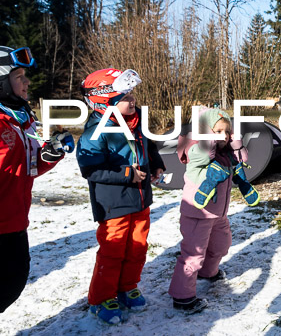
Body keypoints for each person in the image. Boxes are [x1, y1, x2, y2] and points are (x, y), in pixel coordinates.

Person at [77, 68, 165, 324]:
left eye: (131, 94)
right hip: (114, 204)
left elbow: (149, 145)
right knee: (113, 251)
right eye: (125, 97)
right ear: (106, 102)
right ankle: (101, 297)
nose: (132, 99)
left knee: (138, 247)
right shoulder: (96, 131)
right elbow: (91, 169)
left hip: (140, 199)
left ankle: (127, 286)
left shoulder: (135, 122)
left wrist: (157, 163)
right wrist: (127, 174)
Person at [0, 46, 73, 313]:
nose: (27, 81)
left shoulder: (20, 117)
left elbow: (26, 168)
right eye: (19, 75)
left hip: (15, 220)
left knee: (13, 283)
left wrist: (49, 154)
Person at [169, 108, 249, 314]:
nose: (224, 136)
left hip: (218, 213)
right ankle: (182, 296)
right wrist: (207, 135)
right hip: (197, 213)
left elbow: (242, 158)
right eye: (219, 131)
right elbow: (203, 154)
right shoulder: (196, 148)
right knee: (193, 255)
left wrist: (235, 141)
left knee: (222, 246)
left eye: (227, 132)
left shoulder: (224, 152)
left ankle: (208, 272)